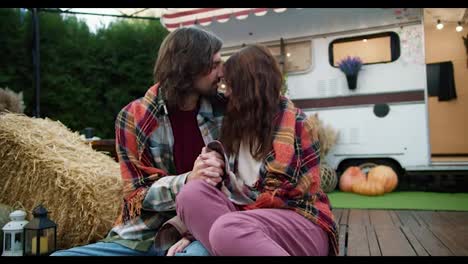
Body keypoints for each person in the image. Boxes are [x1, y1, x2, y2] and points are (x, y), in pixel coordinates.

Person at [51, 26, 226, 256]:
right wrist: (188, 181)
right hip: (143, 233)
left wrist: (189, 230)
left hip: (201, 226)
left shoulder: (225, 112)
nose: (221, 72)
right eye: (214, 65)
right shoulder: (133, 117)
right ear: (189, 66)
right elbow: (136, 194)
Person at [173, 44, 339, 256]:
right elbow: (225, 196)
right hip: (243, 226)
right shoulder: (234, 128)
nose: (227, 93)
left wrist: (233, 213)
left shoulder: (296, 123)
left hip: (300, 225)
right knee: (190, 194)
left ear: (251, 87)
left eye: (231, 86)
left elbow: (287, 196)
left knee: (227, 229)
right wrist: (193, 231)